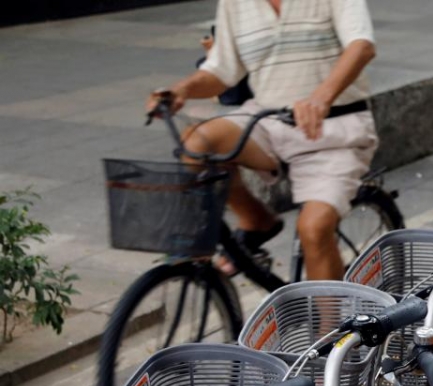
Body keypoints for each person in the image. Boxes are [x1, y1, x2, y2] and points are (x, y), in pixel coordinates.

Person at [147, 0, 378, 280]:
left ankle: (331, 324)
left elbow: (361, 45)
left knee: (314, 229)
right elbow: (222, 71)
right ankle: (256, 219)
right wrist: (182, 89)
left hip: (334, 129)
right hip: (267, 120)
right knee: (197, 143)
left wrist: (322, 97)